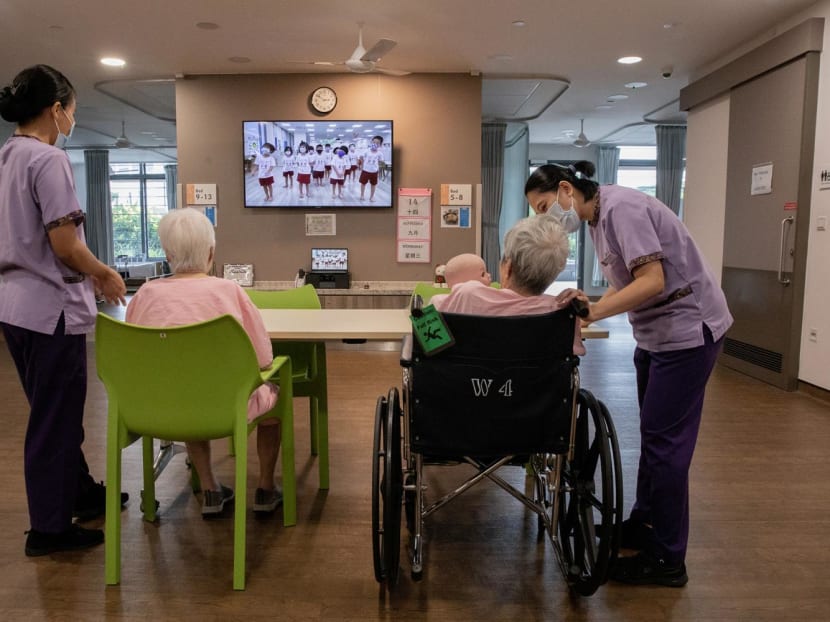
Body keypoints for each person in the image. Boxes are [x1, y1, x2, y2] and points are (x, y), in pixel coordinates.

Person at [525, 161, 734, 588]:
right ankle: (644, 524)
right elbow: (629, 280)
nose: (547, 218)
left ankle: (669, 559)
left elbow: (653, 280)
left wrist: (596, 311)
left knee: (666, 446)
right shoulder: (597, 219)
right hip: (657, 336)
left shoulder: (622, 209)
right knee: (654, 437)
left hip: (689, 333)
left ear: (567, 189)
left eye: (546, 206)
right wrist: (592, 299)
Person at [0, 64, 128, 556]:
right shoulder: (47, 159)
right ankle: (49, 529)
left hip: (14, 308)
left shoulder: (8, 155)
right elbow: (64, 244)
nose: (72, 120)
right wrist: (103, 272)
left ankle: (79, 493)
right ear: (56, 110)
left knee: (51, 411)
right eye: (73, 110)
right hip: (49, 309)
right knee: (55, 420)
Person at [125, 208, 284, 517]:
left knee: (184, 387)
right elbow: (263, 359)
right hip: (227, 406)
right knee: (274, 398)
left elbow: (134, 353)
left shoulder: (144, 294)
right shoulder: (229, 291)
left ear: (168, 254)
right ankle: (265, 487)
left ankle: (211, 489)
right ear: (211, 252)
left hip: (157, 407)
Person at [431, 215, 585, 356]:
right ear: (554, 274)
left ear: (508, 267)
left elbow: (428, 338)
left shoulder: (467, 294)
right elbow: (571, 355)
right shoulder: (563, 310)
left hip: (467, 384)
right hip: (534, 386)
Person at [359, 135, 384, 201]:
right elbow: (361, 157)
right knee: (363, 183)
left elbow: (380, 161)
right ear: (371, 142)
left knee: (373, 184)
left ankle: (372, 196)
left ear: (380, 144)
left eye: (377, 143)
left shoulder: (380, 153)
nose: (375, 144)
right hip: (365, 170)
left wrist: (378, 169)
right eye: (374, 142)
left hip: (374, 171)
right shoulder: (366, 151)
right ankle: (362, 195)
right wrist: (362, 166)